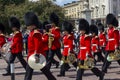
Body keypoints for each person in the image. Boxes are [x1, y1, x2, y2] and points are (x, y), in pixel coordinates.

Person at [24, 12, 56, 80]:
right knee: (32, 71)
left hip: (35, 55)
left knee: (43, 70)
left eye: (28, 25)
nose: (27, 27)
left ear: (33, 25)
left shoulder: (36, 33)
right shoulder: (32, 33)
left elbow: (37, 45)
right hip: (31, 55)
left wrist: (37, 55)